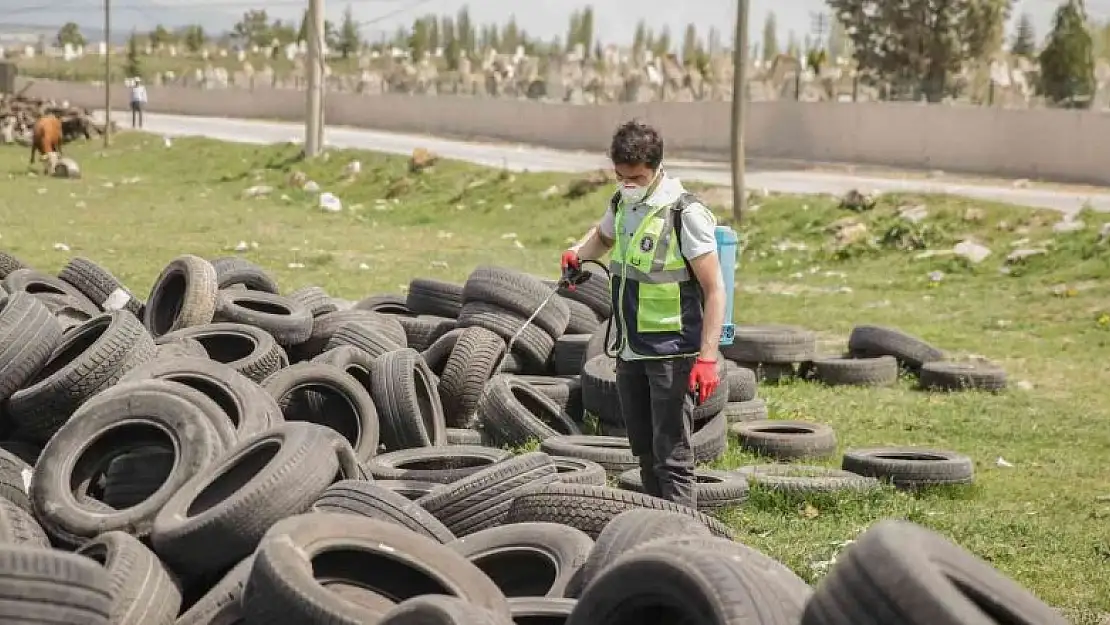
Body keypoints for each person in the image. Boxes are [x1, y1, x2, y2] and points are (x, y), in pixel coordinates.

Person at [561, 120, 726, 509]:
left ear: (657, 168)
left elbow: (715, 289)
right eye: (620, 176)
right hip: (630, 348)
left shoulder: (684, 213)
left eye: (635, 176)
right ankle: (656, 521)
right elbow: (602, 237)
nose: (627, 183)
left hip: (672, 351)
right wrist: (577, 253)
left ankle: (684, 534)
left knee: (672, 455)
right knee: (645, 451)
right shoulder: (622, 201)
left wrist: (706, 358)